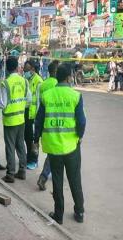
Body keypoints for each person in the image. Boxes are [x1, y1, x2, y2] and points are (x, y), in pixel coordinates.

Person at [34, 63, 86, 225]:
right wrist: (80, 136)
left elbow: (39, 120)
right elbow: (82, 122)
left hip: (53, 147)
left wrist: (35, 141)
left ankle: (58, 215)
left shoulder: (47, 96)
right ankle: (79, 212)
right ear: (69, 77)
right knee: (75, 179)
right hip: (71, 147)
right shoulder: (75, 96)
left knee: (57, 180)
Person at [0, 57, 29, 183]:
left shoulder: (5, 83)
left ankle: (10, 174)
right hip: (21, 118)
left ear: (7, 68)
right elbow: (29, 100)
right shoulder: (24, 81)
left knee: (10, 147)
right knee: (20, 145)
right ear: (17, 67)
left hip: (10, 120)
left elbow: (3, 103)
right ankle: (22, 171)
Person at [36, 61, 59, 191]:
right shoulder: (59, 85)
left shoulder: (43, 84)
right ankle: (44, 176)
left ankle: (46, 176)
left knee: (53, 152)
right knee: (56, 152)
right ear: (56, 71)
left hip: (45, 121)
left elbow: (40, 104)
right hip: (57, 121)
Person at [23, 61, 43, 170]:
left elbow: (40, 101)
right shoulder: (26, 79)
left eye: (27, 70)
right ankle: (28, 156)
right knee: (27, 138)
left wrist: (38, 118)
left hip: (35, 116)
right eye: (24, 70)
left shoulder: (38, 81)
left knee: (35, 140)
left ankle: (33, 160)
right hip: (26, 114)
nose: (25, 72)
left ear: (33, 70)